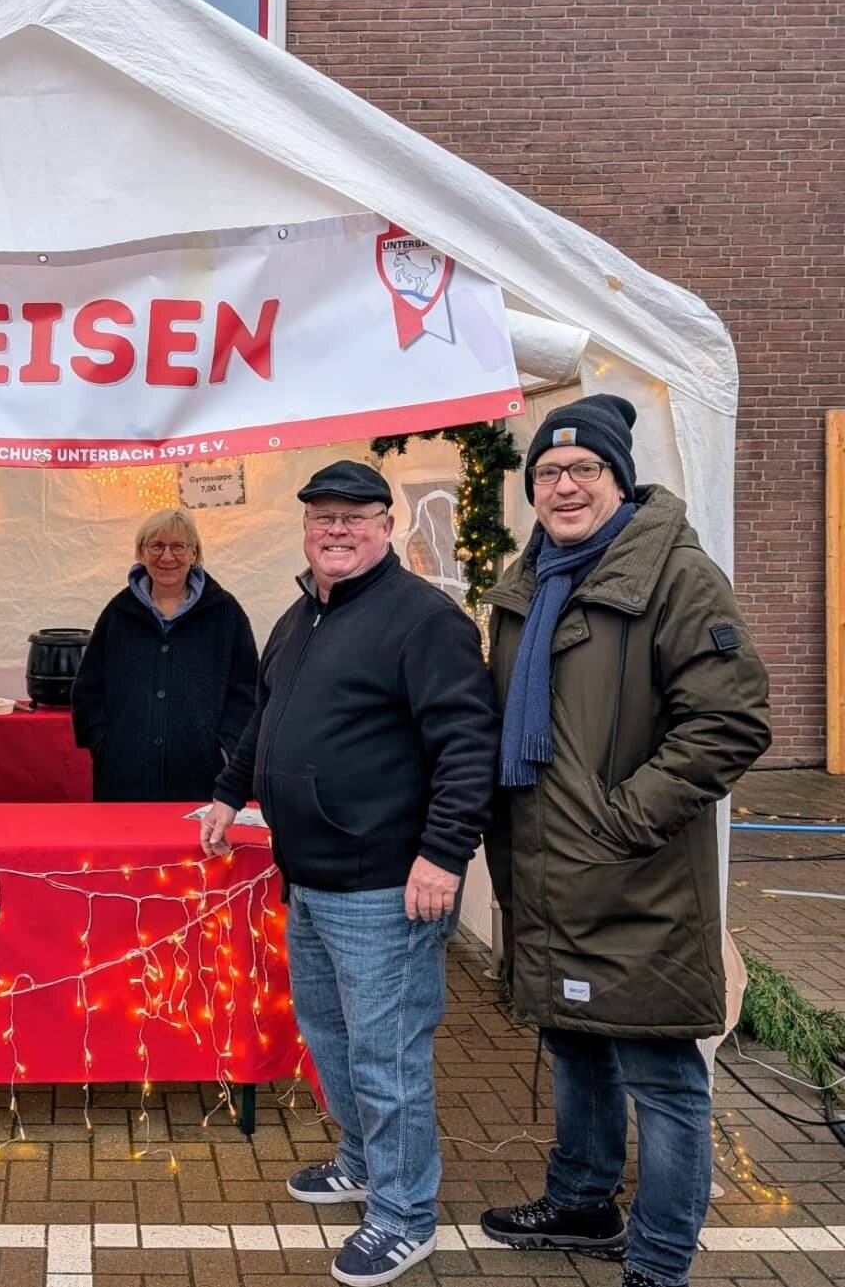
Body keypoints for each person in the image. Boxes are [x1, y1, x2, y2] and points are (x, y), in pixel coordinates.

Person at [477, 395, 770, 1287]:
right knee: (574, 1039)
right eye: (548, 474)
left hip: (636, 876)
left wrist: (628, 814)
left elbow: (731, 718)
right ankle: (583, 1199)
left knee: (662, 1074)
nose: (564, 487)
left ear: (618, 478)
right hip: (546, 868)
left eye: (583, 471)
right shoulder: (528, 580)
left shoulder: (675, 575)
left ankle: (660, 1257)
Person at [200, 461, 498, 1287]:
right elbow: (268, 715)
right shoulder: (304, 613)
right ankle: (364, 1160)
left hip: (384, 885)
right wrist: (231, 794)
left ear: (385, 524)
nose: (336, 529)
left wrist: (444, 852)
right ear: (305, 528)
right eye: (321, 516)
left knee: (387, 1056)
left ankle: (405, 1214)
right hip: (309, 877)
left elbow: (467, 746)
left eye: (354, 516)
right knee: (332, 1040)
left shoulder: (424, 620)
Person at [71, 507, 258, 801]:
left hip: (203, 778)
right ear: (141, 553)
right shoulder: (119, 612)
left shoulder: (224, 612)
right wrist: (104, 744)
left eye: (178, 546)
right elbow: (88, 689)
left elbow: (247, 691)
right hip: (123, 778)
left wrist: (225, 748)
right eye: (156, 546)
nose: (167, 557)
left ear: (194, 553)